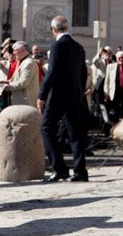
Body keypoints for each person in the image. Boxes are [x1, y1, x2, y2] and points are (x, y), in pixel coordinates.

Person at [38, 15, 88, 182]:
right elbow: (83, 74)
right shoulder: (79, 47)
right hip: (75, 95)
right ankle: (80, 172)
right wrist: (80, 92)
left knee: (46, 128)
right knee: (75, 134)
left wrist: (42, 95)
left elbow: (51, 73)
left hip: (59, 95)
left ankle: (59, 168)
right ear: (67, 28)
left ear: (54, 30)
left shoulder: (57, 46)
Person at [0, 40, 39, 107]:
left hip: (25, 102)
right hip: (20, 100)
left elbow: (23, 82)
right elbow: (18, 79)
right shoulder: (22, 61)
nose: (13, 53)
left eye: (15, 50)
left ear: (23, 50)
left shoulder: (29, 63)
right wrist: (8, 82)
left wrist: (8, 86)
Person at [104, 50, 123, 119]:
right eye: (119, 58)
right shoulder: (110, 67)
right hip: (114, 92)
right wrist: (106, 93)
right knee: (115, 112)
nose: (121, 59)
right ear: (117, 58)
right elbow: (107, 81)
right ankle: (115, 126)